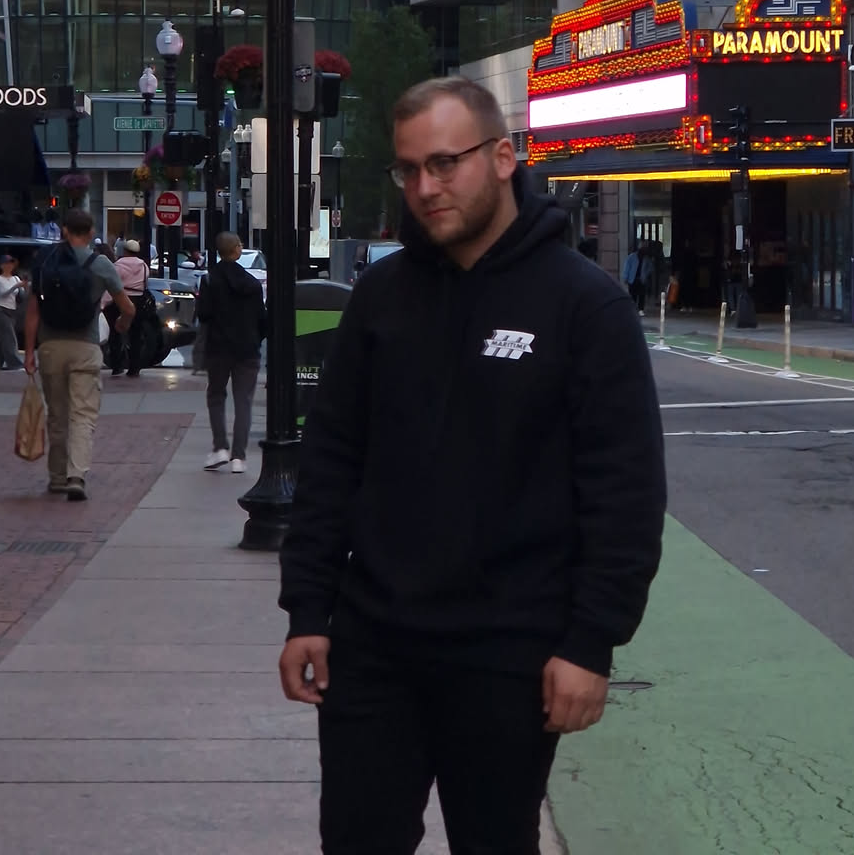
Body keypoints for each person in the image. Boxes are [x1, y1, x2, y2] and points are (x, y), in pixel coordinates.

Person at [278, 75, 666, 855]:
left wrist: (591, 643)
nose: (426, 187)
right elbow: (330, 461)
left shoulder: (584, 306)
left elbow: (623, 493)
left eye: (445, 163)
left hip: (510, 654)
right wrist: (308, 612)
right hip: (374, 645)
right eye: (409, 169)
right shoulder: (380, 297)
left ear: (502, 158)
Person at [23, 210, 133, 501]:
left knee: (57, 414)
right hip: (85, 347)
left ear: (64, 231)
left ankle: (57, 477)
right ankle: (76, 476)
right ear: (91, 231)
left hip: (50, 347)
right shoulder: (101, 264)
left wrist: (29, 351)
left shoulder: (46, 262)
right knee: (83, 415)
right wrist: (122, 324)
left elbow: (32, 312)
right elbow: (127, 307)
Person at [197, 231, 265, 474]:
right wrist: (255, 338)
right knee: (243, 401)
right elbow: (262, 319)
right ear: (236, 250)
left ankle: (220, 447)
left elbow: (203, 314)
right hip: (247, 349)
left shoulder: (209, 280)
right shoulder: (252, 284)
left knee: (216, 395)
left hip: (218, 348)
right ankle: (239, 457)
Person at [112, 239, 150, 378]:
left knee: (116, 331)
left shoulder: (118, 265)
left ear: (125, 250)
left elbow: (114, 283)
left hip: (121, 298)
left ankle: (117, 365)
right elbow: (146, 282)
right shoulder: (144, 266)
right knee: (136, 334)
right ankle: (134, 368)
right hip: (139, 299)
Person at [0, 254, 24, 371]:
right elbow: (2, 294)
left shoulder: (16, 278)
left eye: (11, 263)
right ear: (1, 266)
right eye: (6, 263)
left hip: (12, 311)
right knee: (10, 338)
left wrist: (23, 287)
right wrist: (15, 287)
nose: (9, 266)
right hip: (2, 310)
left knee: (3, 339)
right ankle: (15, 364)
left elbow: (21, 295)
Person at [621, 242, 643, 309]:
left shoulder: (645, 258)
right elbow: (627, 267)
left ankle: (640, 309)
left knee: (641, 295)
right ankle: (633, 308)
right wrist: (625, 278)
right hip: (632, 279)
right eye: (642, 248)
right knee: (633, 295)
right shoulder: (632, 257)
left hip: (642, 279)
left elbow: (649, 267)